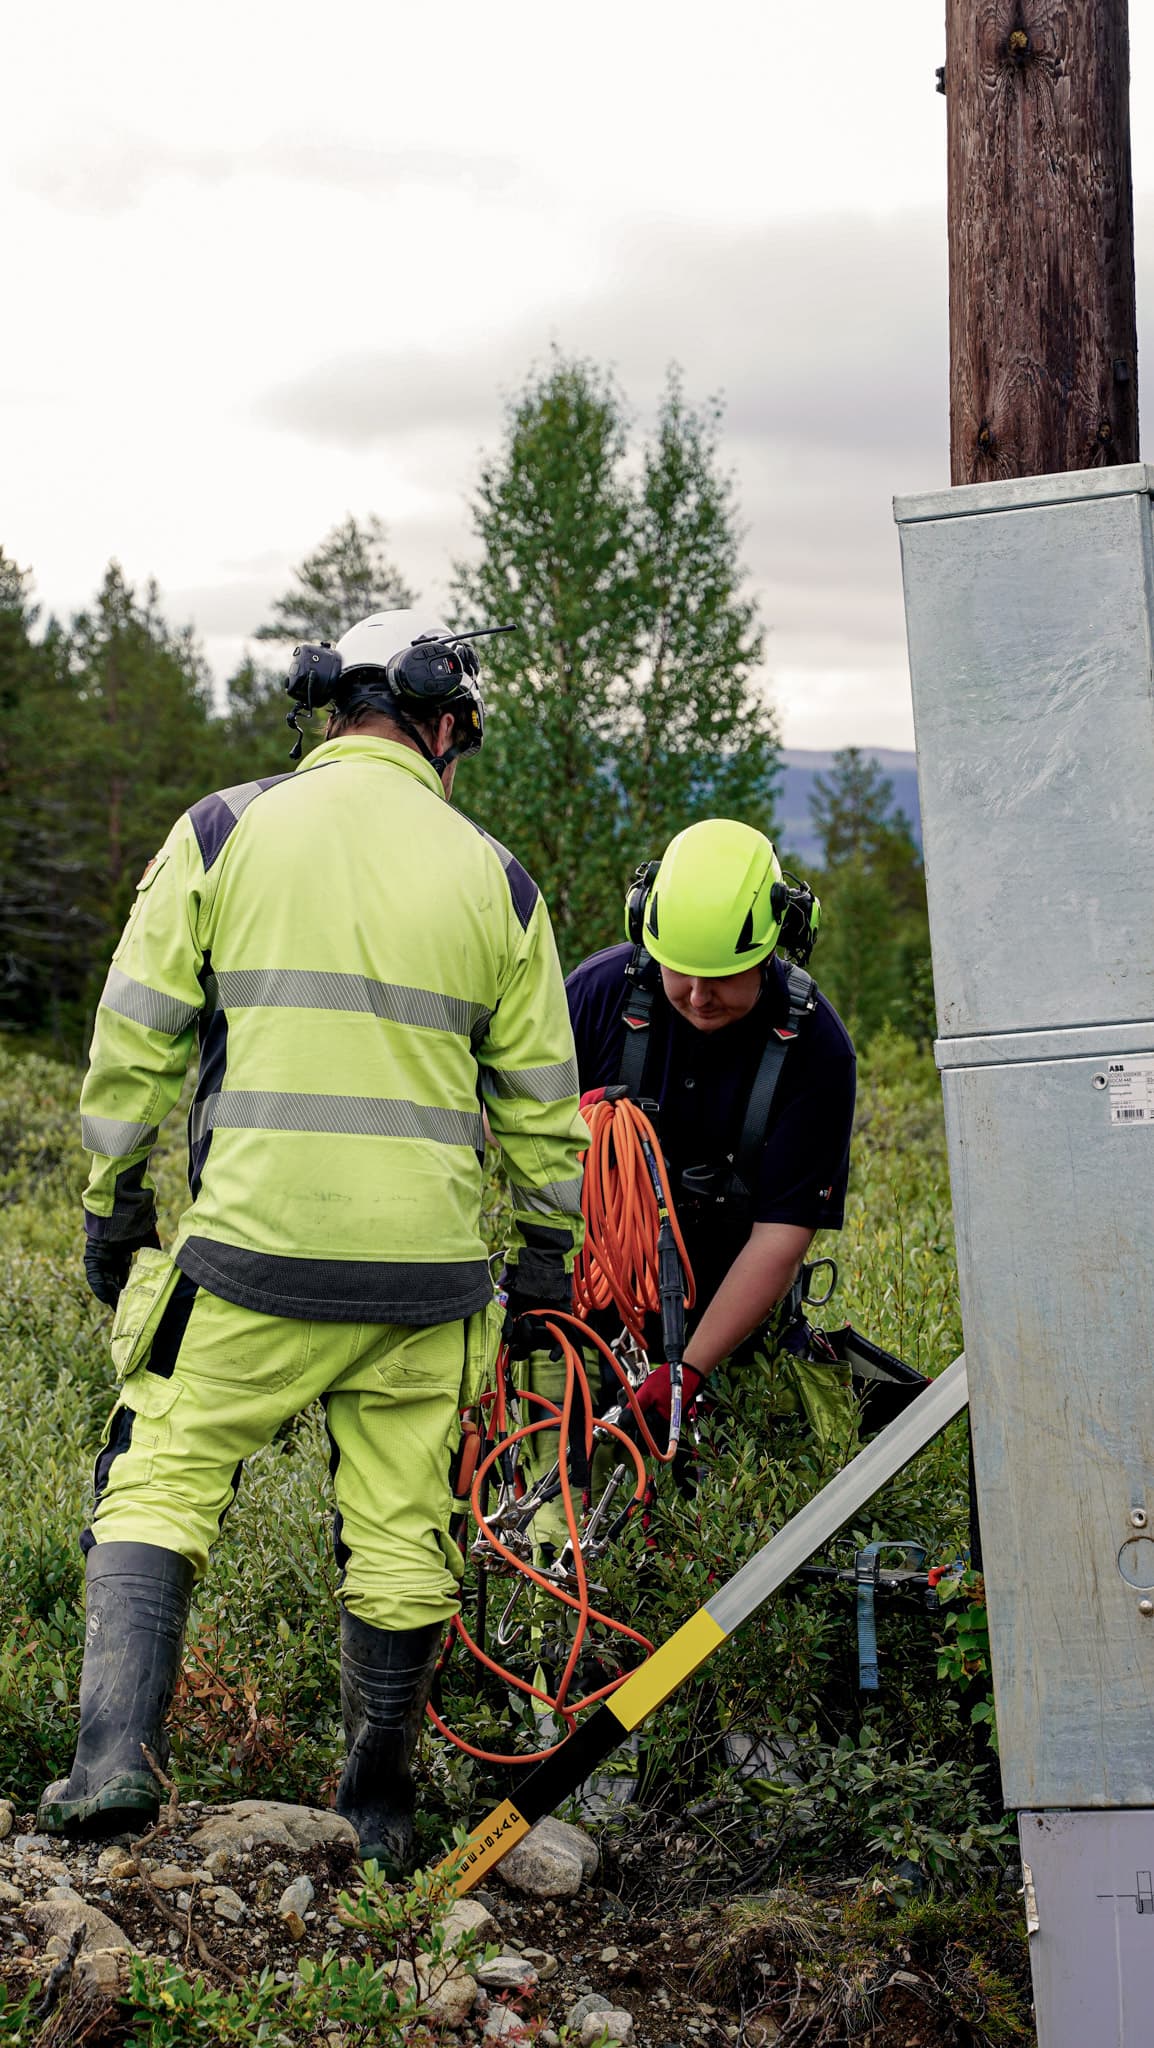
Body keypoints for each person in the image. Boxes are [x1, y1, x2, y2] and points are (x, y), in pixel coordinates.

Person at [40, 610, 586, 1869]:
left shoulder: (221, 832)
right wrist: (547, 1245)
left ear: (328, 707)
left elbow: (134, 1037)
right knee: (402, 1529)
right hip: (430, 1286)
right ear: (445, 723)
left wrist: (110, 1195)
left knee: (162, 1469)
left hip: (245, 1261)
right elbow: (543, 1103)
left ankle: (110, 1760)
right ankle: (379, 1816)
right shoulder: (497, 877)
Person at [563, 817, 856, 1439]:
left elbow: (781, 1235)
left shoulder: (816, 1050)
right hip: (584, 1319)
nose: (698, 995)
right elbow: (511, 1129)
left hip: (731, 1334)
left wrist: (689, 1369)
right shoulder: (596, 995)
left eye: (723, 974)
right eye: (679, 970)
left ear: (778, 944)